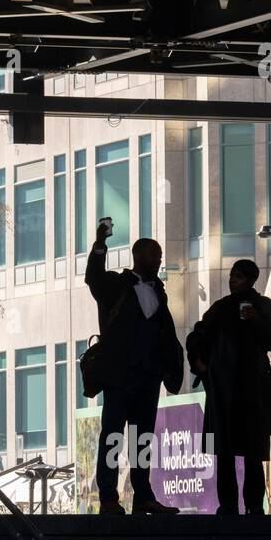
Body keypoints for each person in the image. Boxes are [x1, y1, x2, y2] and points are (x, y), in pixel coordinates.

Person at [84, 220, 185, 515]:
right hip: (120, 376)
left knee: (142, 439)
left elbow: (163, 332)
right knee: (113, 436)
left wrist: (169, 367)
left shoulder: (159, 292)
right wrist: (101, 243)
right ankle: (108, 498)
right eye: (155, 255)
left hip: (149, 376)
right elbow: (93, 277)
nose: (159, 260)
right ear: (139, 256)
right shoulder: (117, 286)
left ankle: (143, 497)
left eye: (160, 255)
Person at [186, 259, 271, 515]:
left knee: (253, 452)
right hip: (224, 388)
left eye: (239, 276)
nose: (233, 280)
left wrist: (256, 320)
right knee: (224, 451)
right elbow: (198, 334)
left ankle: (254, 505)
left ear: (251, 280)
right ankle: (228, 506)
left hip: (252, 387)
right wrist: (199, 363)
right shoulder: (221, 308)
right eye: (232, 275)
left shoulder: (263, 306)